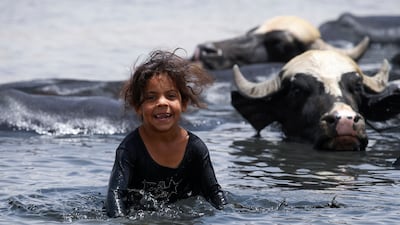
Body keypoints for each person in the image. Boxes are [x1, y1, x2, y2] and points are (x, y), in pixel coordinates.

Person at [105, 49, 227, 217]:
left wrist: (232, 217)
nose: (162, 102)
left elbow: (214, 194)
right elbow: (115, 195)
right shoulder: (130, 149)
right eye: (151, 97)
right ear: (138, 107)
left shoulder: (196, 148)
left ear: (183, 103)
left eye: (170, 96)